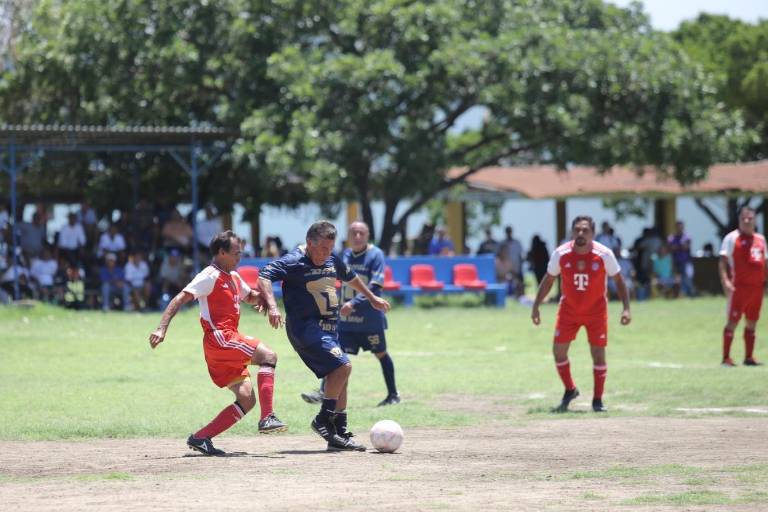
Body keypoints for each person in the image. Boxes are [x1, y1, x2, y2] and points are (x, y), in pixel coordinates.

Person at [149, 230, 286, 456]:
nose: (240, 257)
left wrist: (263, 298)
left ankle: (201, 438)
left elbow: (250, 297)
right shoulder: (209, 275)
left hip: (223, 344)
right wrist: (161, 327)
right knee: (269, 356)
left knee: (247, 399)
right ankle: (267, 417)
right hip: (221, 339)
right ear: (222, 253)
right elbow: (180, 298)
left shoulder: (233, 276)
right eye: (236, 253)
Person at [258, 220, 390, 452]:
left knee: (340, 376)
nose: (326, 254)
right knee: (343, 367)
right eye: (322, 249)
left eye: (330, 249)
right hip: (306, 329)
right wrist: (272, 306)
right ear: (309, 242)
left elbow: (350, 276)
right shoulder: (294, 260)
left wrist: (371, 298)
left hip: (329, 329)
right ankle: (323, 420)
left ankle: (339, 432)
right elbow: (264, 275)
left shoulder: (331, 259)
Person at [531, 216, 631, 413]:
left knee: (598, 354)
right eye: (577, 230)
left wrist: (626, 307)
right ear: (572, 232)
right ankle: (570, 389)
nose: (581, 233)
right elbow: (549, 280)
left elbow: (619, 280)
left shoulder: (604, 254)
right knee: (558, 351)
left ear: (593, 233)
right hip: (569, 311)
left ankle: (597, 400)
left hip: (596, 312)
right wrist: (536, 306)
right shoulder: (561, 253)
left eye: (585, 230)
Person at [301, 221, 400, 407]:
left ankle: (393, 395)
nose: (357, 237)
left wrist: (353, 303)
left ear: (368, 235)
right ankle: (323, 392)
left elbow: (375, 286)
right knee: (336, 355)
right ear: (348, 236)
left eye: (361, 233)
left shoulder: (376, 255)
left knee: (381, 353)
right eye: (354, 233)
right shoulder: (344, 255)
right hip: (346, 321)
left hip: (370, 320)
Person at [719, 207, 766, 367]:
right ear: (739, 220)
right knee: (733, 321)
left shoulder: (760, 239)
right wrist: (725, 280)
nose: (747, 221)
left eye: (750, 218)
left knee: (752, 321)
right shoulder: (732, 238)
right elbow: (723, 261)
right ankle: (726, 358)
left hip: (757, 288)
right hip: (739, 287)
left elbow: (764, 263)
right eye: (743, 218)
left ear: (755, 220)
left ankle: (749, 357)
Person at [668, 221, 696, 297]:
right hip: (675, 262)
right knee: (677, 279)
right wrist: (680, 246)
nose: (679, 229)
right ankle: (681, 295)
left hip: (686, 262)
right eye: (678, 227)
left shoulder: (687, 236)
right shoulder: (671, 237)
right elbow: (671, 248)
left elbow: (686, 247)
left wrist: (676, 246)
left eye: (680, 227)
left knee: (687, 279)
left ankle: (691, 294)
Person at [497, 226, 524, 296]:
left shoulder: (517, 243)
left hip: (516, 268)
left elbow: (521, 256)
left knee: (518, 283)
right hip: (504, 274)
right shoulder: (502, 243)